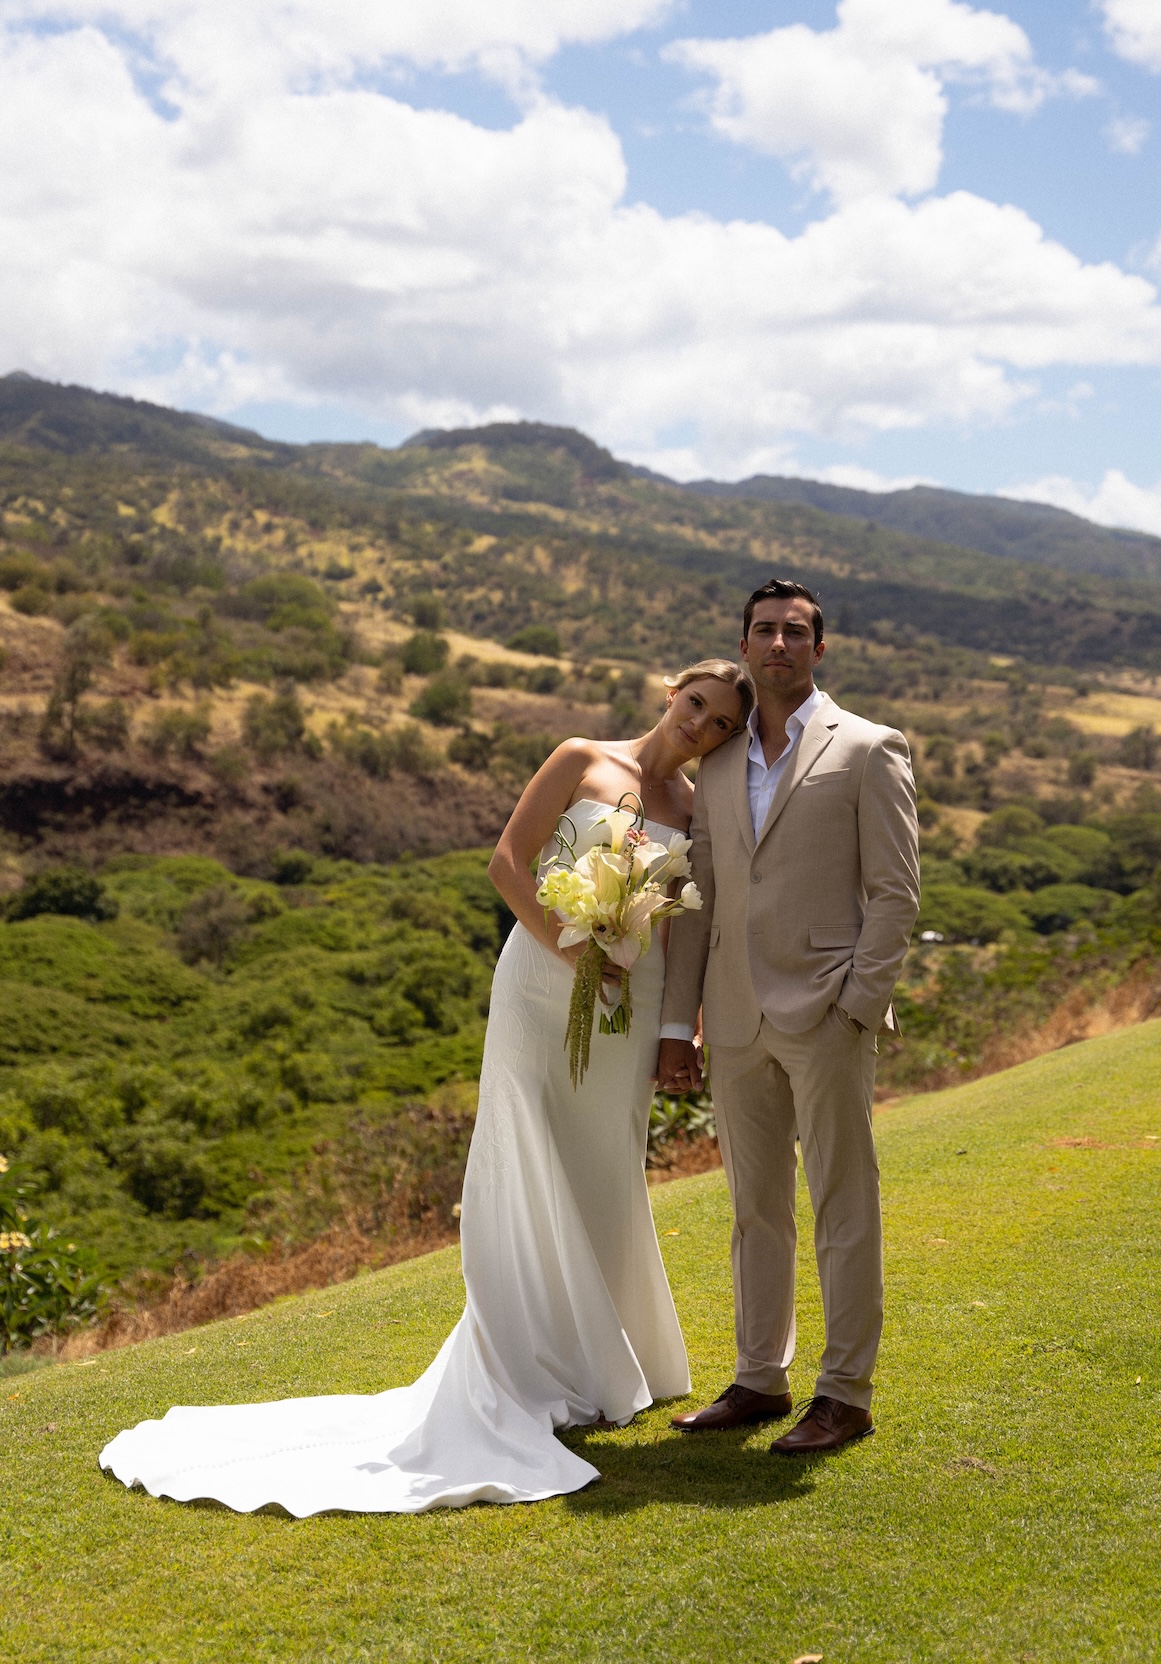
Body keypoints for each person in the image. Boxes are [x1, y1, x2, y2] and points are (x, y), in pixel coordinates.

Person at [100, 658, 753, 1516]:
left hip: (624, 1001)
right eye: (694, 704)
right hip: (537, 981)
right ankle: (521, 1359)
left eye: (717, 726)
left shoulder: (698, 812)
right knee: (526, 1152)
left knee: (606, 1165)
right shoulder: (579, 757)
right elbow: (507, 863)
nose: (697, 727)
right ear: (671, 692)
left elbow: (684, 928)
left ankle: (607, 1355)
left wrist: (675, 1020)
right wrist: (569, 951)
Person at [657, 580, 919, 1454]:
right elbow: (701, 898)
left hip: (828, 1016)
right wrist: (676, 1024)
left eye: (795, 632)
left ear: (818, 647)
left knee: (844, 1204)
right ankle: (759, 1381)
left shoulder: (870, 747)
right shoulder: (719, 761)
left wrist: (858, 1006)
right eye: (764, 631)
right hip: (731, 1019)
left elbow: (895, 895)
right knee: (752, 1209)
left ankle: (845, 1394)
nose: (778, 644)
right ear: (744, 644)